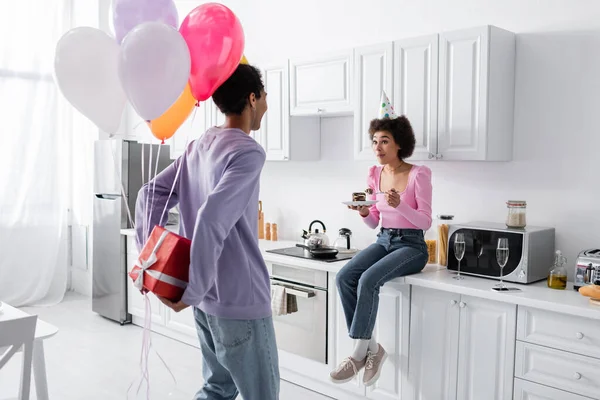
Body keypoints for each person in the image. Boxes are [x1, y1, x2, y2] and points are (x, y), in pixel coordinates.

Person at [135, 64, 280, 400]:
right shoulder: (247, 151)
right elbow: (212, 217)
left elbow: (149, 194)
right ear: (252, 98)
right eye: (265, 96)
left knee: (217, 389)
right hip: (239, 301)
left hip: (206, 306)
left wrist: (150, 264)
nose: (267, 105)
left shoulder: (200, 145)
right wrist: (194, 290)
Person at [330, 93, 432, 387]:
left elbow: (425, 221)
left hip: (412, 246)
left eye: (384, 140)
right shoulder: (375, 173)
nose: (378, 147)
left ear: (400, 143)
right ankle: (374, 349)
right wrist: (364, 212)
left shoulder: (419, 175)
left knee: (368, 280)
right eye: (375, 141)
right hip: (384, 239)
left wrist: (400, 205)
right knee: (345, 277)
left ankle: (359, 353)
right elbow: (375, 219)